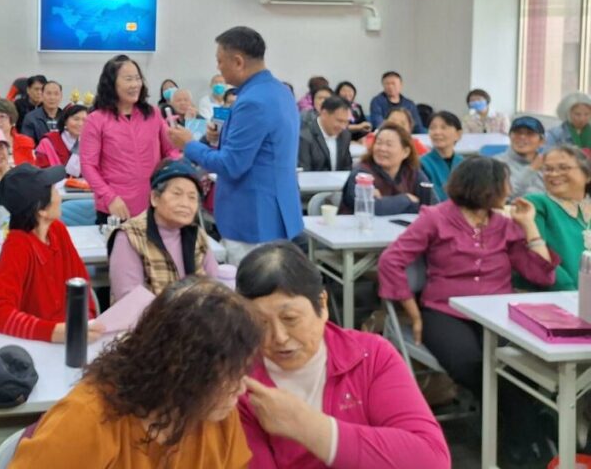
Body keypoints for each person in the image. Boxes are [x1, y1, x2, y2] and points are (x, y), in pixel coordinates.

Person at [378, 158, 558, 462]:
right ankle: (528, 433)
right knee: (472, 364)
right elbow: (391, 261)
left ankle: (515, 434)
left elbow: (541, 274)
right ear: (486, 188)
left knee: (522, 363)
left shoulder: (504, 224)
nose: (510, 190)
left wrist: (529, 225)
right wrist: (414, 313)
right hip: (445, 310)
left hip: (497, 311)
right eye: (504, 184)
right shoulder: (436, 218)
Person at [237, 242, 449, 469]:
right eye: (260, 323)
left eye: (290, 318)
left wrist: (309, 427)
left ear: (322, 304)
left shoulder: (370, 356)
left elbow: (431, 460)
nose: (279, 337)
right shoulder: (239, 384)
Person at [8, 278, 258, 469]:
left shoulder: (216, 414)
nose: (240, 388)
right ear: (180, 370)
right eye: (228, 376)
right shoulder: (87, 421)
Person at [168, 27, 301, 263]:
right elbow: (263, 147)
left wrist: (189, 144)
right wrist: (218, 139)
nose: (218, 67)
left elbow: (231, 165)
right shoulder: (280, 91)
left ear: (238, 62)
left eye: (220, 61)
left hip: (253, 219)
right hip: (277, 210)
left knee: (250, 284)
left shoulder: (252, 102)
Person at [0, 164, 103, 341]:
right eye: (54, 190)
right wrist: (56, 332)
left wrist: (87, 321)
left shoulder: (57, 230)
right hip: (34, 346)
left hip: (72, 339)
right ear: (41, 210)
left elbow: (81, 282)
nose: (59, 196)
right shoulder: (17, 247)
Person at [81, 55, 177, 225]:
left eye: (137, 78)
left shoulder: (153, 113)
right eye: (128, 79)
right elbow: (88, 165)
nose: (135, 84)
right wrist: (109, 197)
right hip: (116, 208)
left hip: (153, 204)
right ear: (111, 84)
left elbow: (170, 151)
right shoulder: (96, 120)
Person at [108, 159, 219, 302]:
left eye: (192, 197)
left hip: (195, 314)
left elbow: (215, 288)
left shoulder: (197, 234)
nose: (185, 204)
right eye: (177, 194)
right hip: (148, 316)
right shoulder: (130, 236)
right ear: (154, 198)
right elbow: (129, 301)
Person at [524, 145, 591, 291]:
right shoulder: (535, 204)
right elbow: (539, 259)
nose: (554, 174)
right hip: (563, 295)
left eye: (563, 168)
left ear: (587, 175)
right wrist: (573, 293)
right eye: (548, 169)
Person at [340, 123, 431, 216]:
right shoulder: (361, 174)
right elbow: (372, 207)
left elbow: (431, 204)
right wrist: (407, 199)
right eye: (379, 143)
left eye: (389, 144)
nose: (382, 149)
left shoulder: (413, 173)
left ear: (406, 152)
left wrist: (386, 202)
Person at [494, 115, 547, 198]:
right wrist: (531, 169)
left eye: (530, 133)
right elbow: (504, 196)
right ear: (510, 136)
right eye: (518, 132)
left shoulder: (548, 163)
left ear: (542, 141)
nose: (522, 137)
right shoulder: (496, 164)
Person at [297, 95, 352, 172]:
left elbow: (347, 167)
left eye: (346, 122)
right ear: (324, 114)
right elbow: (304, 172)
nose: (343, 127)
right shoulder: (305, 137)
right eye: (339, 121)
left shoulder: (345, 135)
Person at [419, 111, 464, 202]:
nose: (437, 132)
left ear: (458, 134)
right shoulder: (421, 163)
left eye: (444, 127)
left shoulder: (465, 164)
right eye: (432, 128)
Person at [35, 102, 87, 176]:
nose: (80, 124)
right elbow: (41, 173)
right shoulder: (48, 142)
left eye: (85, 120)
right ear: (65, 121)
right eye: (76, 119)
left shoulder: (91, 144)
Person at [363, 107, 428, 157]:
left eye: (402, 123)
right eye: (393, 121)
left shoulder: (414, 143)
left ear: (410, 128)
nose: (397, 126)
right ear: (384, 123)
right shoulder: (374, 139)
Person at [21, 80, 64, 144]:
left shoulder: (66, 117)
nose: (52, 97)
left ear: (61, 96)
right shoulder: (30, 118)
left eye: (56, 94)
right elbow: (27, 144)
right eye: (48, 93)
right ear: (42, 95)